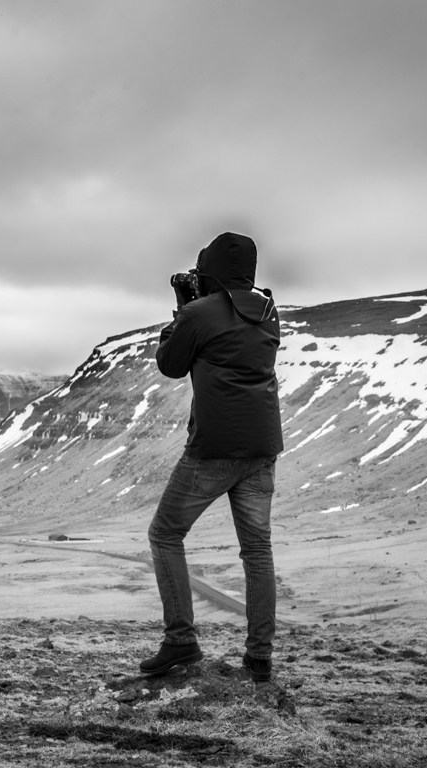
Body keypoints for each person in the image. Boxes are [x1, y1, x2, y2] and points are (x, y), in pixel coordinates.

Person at [140, 231, 283, 683]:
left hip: (214, 448)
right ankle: (259, 656)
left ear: (209, 270)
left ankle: (180, 640)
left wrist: (182, 311)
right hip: (262, 448)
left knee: (165, 534)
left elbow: (170, 363)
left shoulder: (200, 312)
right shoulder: (270, 311)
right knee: (257, 549)